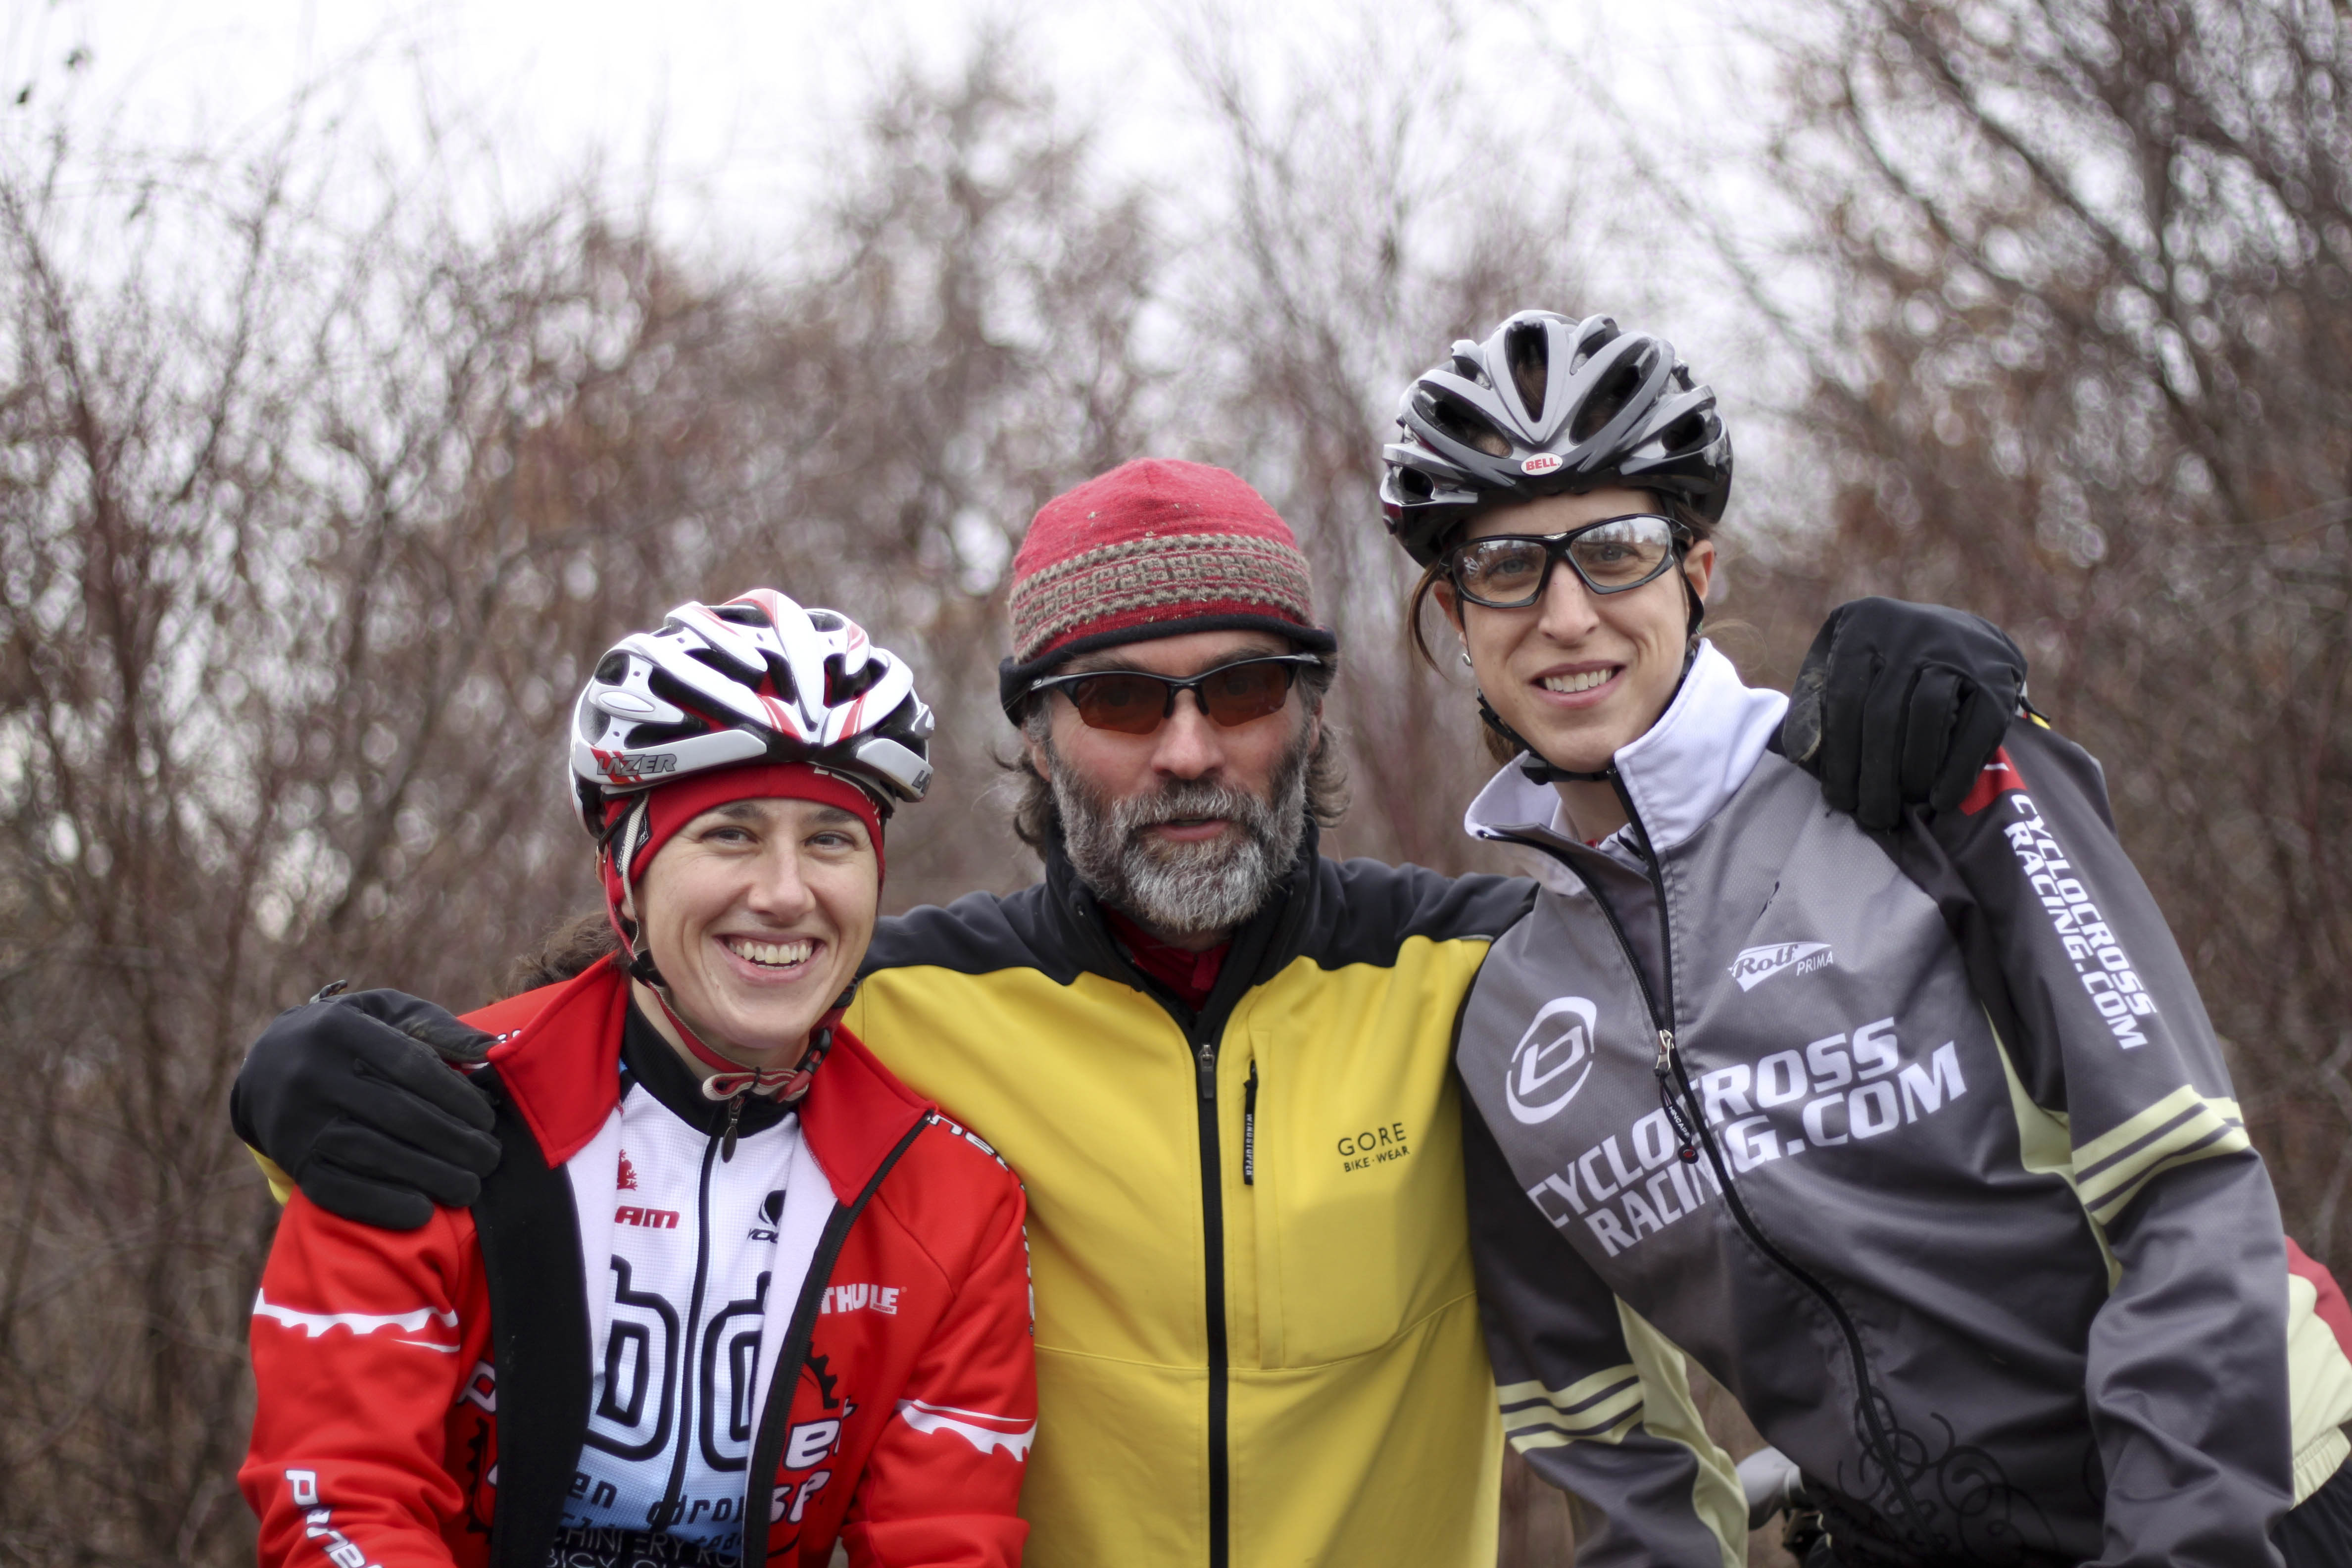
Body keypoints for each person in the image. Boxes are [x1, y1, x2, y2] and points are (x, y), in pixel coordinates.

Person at [231, 460, 2031, 1567]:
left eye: (1241, 687)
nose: (1185, 748)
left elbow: (1801, 1017)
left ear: (1310, 713)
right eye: (1115, 698)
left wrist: (1877, 738)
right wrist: (306, 1067)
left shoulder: (1482, 974)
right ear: (1032, 730)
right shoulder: (903, 997)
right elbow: (598, 1054)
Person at [1383, 308, 2352, 1566]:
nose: (1566, 615)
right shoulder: (1505, 1016)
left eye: (1615, 550)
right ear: (1457, 616)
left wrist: (2183, 1541)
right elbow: (1605, 1435)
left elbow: (2185, 1181)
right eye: (1508, 566)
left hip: (2253, 1499)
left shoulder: (1925, 771)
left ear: (1698, 570)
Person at [239, 591, 1037, 1568]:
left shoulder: (952, 1201)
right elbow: (340, 1505)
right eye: (730, 835)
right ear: (627, 879)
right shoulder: (430, 1116)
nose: (786, 894)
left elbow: (941, 1546)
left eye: (830, 840)